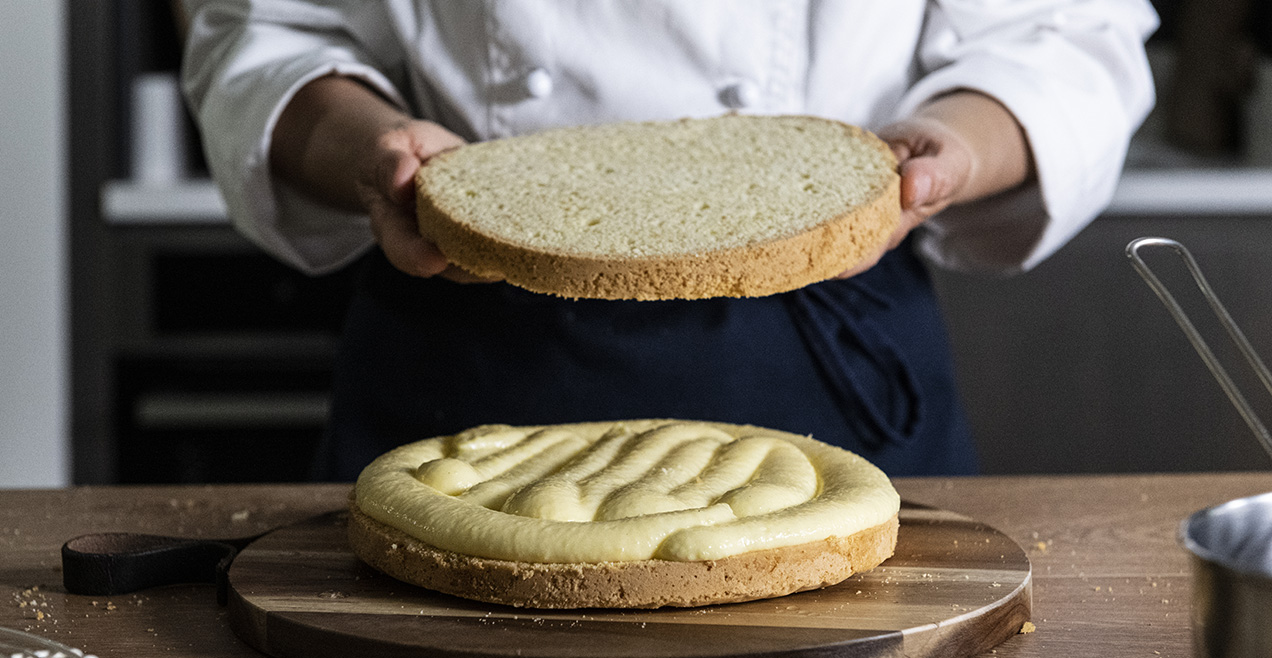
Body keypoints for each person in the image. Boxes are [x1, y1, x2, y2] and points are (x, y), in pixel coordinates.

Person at [179, 1, 1159, 481]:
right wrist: (378, 152)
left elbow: (1066, 31)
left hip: (826, 341)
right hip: (470, 334)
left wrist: (953, 149)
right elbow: (267, 35)